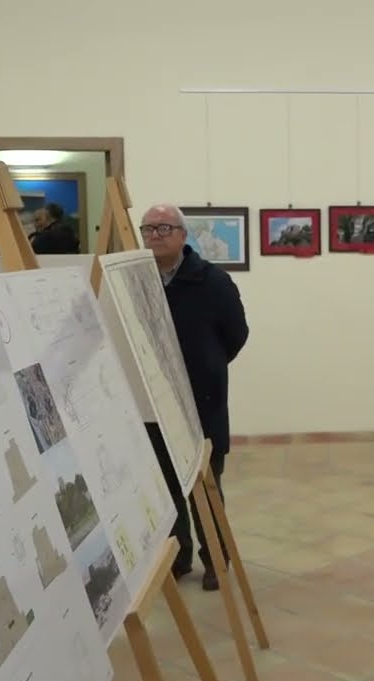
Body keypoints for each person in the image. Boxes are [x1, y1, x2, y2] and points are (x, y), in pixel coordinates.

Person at [139, 203, 249, 591]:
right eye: (148, 229)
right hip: (152, 403)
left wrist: (208, 364)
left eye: (164, 228)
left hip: (202, 403)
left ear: (184, 235)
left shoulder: (213, 282)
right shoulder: (137, 283)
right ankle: (179, 556)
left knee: (205, 486)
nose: (155, 235)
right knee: (167, 487)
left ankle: (216, 560)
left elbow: (236, 336)